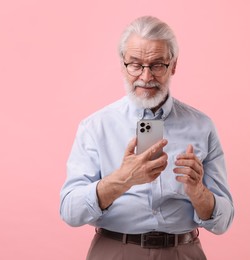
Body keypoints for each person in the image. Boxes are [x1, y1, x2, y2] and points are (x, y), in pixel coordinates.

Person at [60, 16, 234, 260]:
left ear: (173, 65)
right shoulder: (95, 127)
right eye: (135, 64)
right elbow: (70, 212)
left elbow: (223, 221)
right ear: (122, 65)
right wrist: (121, 179)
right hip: (114, 250)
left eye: (157, 65)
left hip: (182, 252)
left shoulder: (202, 126)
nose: (145, 76)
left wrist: (199, 193)